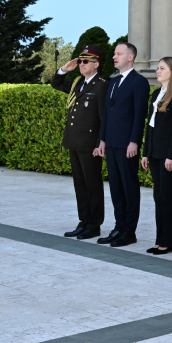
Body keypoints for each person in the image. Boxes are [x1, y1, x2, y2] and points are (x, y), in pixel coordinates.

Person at [51, 45, 108, 240]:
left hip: (90, 143)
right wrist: (64, 69)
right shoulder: (78, 83)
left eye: (86, 61)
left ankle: (94, 225)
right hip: (74, 140)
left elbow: (104, 118)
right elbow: (56, 83)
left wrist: (100, 142)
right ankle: (83, 221)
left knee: (92, 185)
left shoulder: (101, 85)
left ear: (96, 64)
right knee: (80, 185)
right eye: (81, 61)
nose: (82, 64)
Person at [97, 42, 150, 248]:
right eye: (114, 53)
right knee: (116, 188)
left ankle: (129, 231)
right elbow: (107, 114)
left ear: (130, 57)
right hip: (111, 143)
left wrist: (134, 141)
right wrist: (102, 139)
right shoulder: (113, 82)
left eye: (118, 53)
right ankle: (118, 227)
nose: (114, 56)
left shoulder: (139, 82)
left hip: (127, 144)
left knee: (129, 188)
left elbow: (139, 115)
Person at [140, 56, 172, 255]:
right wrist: (146, 153)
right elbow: (150, 127)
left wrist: (171, 155)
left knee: (168, 198)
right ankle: (160, 239)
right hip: (154, 153)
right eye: (158, 68)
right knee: (158, 197)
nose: (158, 71)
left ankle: (169, 241)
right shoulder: (156, 93)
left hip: (167, 154)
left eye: (162, 68)